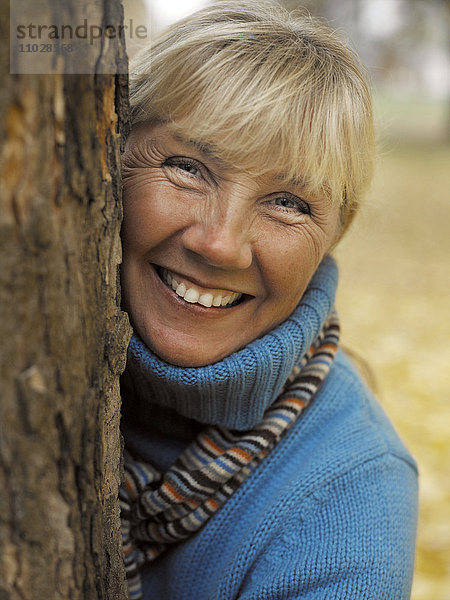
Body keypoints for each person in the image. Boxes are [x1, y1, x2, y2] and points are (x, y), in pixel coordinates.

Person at [119, 2, 418, 599]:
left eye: (287, 203)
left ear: (337, 231)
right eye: (188, 168)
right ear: (109, 158)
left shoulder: (351, 498)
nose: (221, 244)